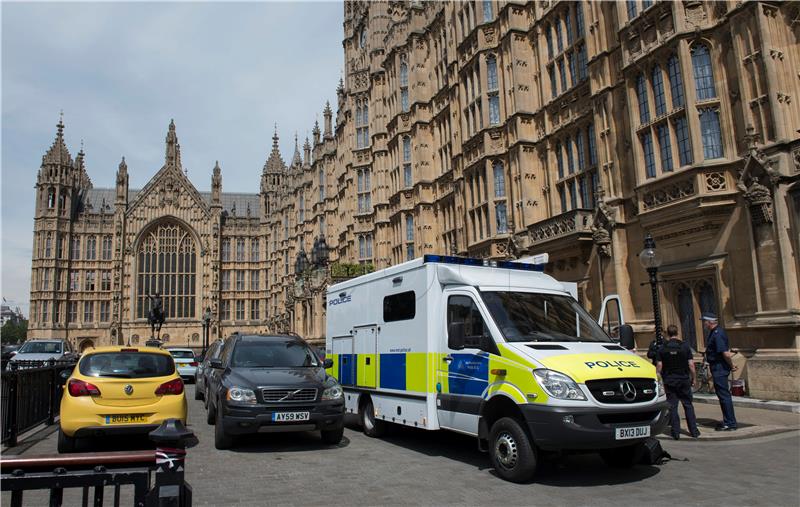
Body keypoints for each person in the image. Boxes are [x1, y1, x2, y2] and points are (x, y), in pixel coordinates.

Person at [656, 324, 700, 439]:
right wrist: (694, 378)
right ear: (677, 333)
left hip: (669, 380)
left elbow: (659, 366)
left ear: (667, 334)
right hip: (683, 379)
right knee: (688, 405)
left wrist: (659, 379)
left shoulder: (662, 348)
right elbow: (691, 365)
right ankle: (694, 431)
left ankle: (675, 432)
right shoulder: (685, 346)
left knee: (672, 406)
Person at [702, 313, 738, 431]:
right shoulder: (715, 333)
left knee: (724, 396)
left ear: (710, 322)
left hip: (719, 368)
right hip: (717, 367)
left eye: (705, 321)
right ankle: (728, 420)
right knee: (722, 396)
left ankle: (730, 423)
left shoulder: (718, 334)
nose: (704, 323)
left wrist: (732, 365)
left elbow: (725, 353)